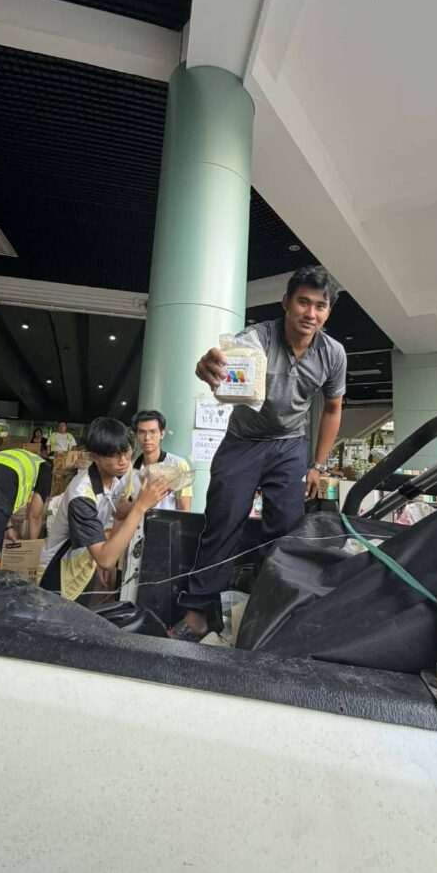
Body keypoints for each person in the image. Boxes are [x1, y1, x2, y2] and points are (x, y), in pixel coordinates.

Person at [171, 265, 346, 641]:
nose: (310, 313)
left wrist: (318, 465)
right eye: (303, 302)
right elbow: (227, 359)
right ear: (286, 302)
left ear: (328, 311)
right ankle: (197, 612)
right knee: (222, 523)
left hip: (290, 446)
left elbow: (333, 409)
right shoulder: (256, 338)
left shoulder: (333, 354)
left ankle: (264, 612)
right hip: (242, 442)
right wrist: (208, 367)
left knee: (285, 532)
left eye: (320, 306)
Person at [39, 417, 169, 602]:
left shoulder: (122, 472)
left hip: (86, 563)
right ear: (95, 458)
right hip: (59, 572)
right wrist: (141, 506)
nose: (123, 461)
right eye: (113, 455)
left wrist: (144, 501)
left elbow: (118, 510)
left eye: (126, 451)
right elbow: (105, 559)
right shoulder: (81, 496)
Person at [131, 410, 193, 511]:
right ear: (136, 436)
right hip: (137, 521)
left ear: (162, 434)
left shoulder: (178, 464)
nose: (147, 438)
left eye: (153, 432)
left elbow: (184, 509)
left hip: (166, 521)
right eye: (142, 432)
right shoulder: (129, 467)